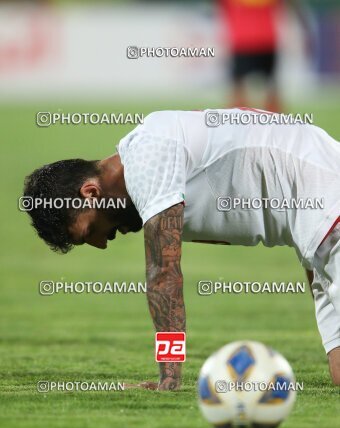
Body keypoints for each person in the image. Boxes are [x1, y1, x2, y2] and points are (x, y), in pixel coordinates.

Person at [23, 109, 340, 390]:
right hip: (315, 230)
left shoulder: (148, 154)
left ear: (90, 193)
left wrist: (169, 378)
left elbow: (163, 274)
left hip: (326, 203)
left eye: (90, 231)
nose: (102, 243)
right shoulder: (147, 160)